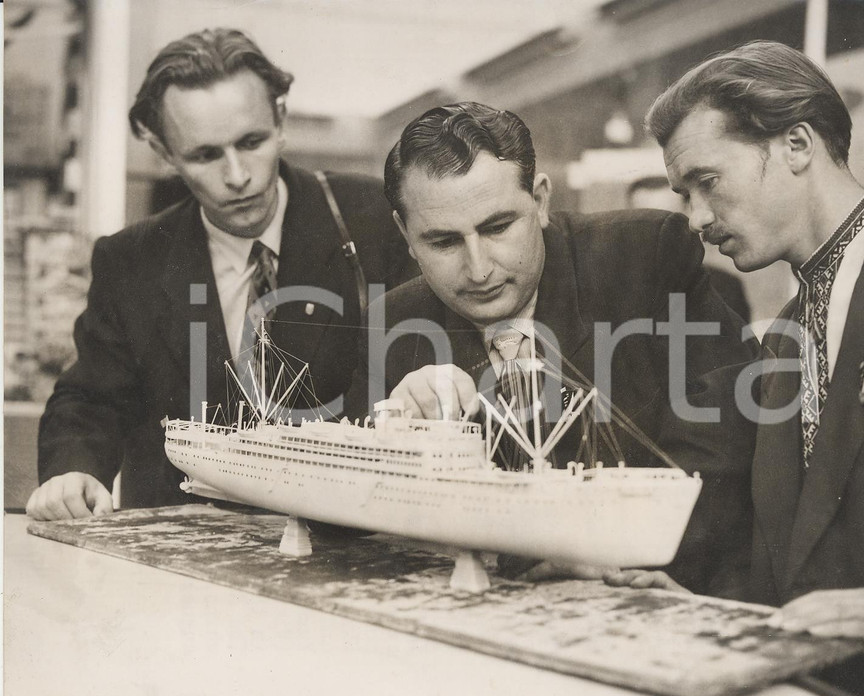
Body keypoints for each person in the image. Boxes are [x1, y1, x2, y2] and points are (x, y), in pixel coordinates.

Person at [635, 41, 864, 696]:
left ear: (796, 144)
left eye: (707, 182)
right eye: (683, 195)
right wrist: (693, 599)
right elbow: (798, 569)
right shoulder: (778, 352)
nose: (696, 221)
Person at [343, 101, 759, 597]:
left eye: (498, 228)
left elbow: (724, 443)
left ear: (540, 201)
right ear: (405, 236)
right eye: (443, 242)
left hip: (652, 585)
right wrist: (394, 429)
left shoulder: (645, 256)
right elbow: (340, 496)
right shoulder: (392, 323)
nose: (479, 270)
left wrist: (606, 557)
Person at [30, 28, 415, 520]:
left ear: (280, 119)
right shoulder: (130, 260)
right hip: (184, 562)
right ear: (164, 152)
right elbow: (90, 399)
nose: (238, 176)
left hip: (349, 546)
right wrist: (72, 471)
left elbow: (423, 361)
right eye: (206, 154)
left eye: (251, 141)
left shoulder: (373, 219)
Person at [627, 176, 752, 323]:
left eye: (666, 221)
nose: (655, 233)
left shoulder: (723, 288)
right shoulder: (613, 288)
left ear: (688, 219)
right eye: (644, 223)